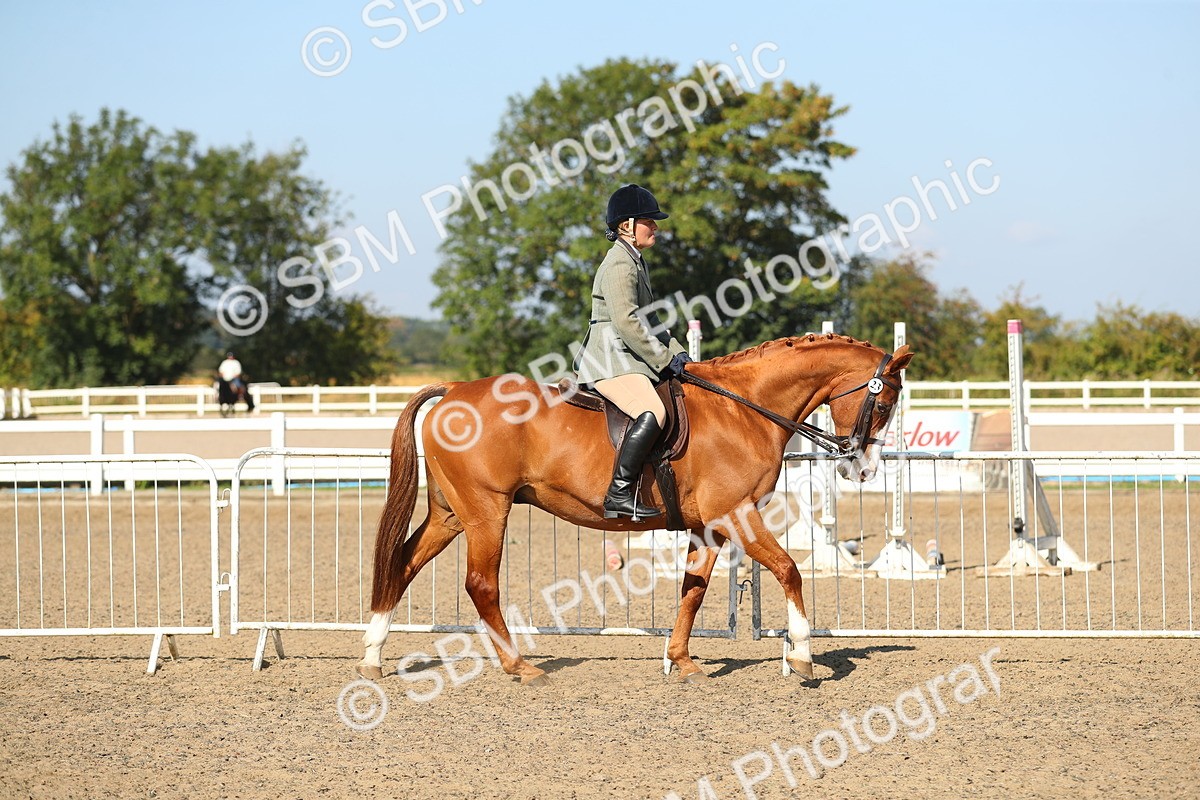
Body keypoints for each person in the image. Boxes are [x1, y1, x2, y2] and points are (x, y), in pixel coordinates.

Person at [574, 184, 691, 519]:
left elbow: (650, 318)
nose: (655, 226)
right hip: (610, 358)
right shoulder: (619, 265)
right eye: (648, 221)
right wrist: (663, 360)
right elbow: (626, 323)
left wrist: (679, 353)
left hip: (626, 355)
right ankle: (619, 493)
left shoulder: (636, 261)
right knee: (653, 411)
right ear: (626, 224)